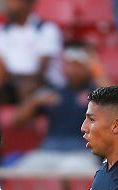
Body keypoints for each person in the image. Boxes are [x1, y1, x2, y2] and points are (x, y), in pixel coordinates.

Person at [13, 43, 110, 173]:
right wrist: (34, 102)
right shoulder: (53, 91)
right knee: (19, 172)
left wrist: (95, 68)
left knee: (75, 170)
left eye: (78, 65)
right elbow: (17, 121)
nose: (73, 69)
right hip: (49, 148)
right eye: (69, 64)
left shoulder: (96, 93)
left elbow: (115, 103)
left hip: (80, 150)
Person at [0, 0, 63, 100]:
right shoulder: (1, 30)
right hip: (10, 84)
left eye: (13, 2)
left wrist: (16, 80)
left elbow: (41, 69)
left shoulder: (46, 29)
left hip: (43, 83)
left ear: (29, 4)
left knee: (28, 86)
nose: (8, 5)